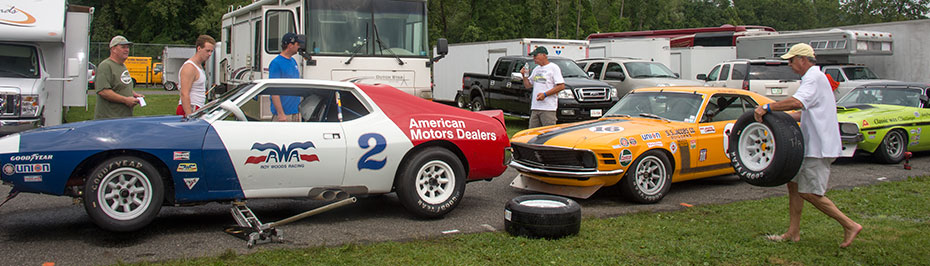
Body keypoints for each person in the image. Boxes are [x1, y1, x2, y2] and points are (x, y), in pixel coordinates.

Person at [753, 43, 862, 248]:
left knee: (810, 193)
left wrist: (767, 107)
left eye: (791, 60)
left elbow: (797, 103)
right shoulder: (812, 78)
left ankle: (850, 225)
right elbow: (803, 112)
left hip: (819, 147)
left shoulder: (813, 77)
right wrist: (778, 117)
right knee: (793, 186)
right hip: (809, 145)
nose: (790, 65)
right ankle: (793, 233)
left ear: (802, 59)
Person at [94, 35, 143, 119]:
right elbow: (103, 91)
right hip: (110, 119)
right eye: (123, 47)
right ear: (113, 49)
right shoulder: (105, 66)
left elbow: (122, 86)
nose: (126, 50)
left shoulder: (122, 66)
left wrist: (135, 95)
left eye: (127, 47)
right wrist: (126, 100)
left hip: (123, 118)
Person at [520, 46, 565, 128]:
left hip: (548, 108)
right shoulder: (536, 69)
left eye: (536, 56)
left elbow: (561, 86)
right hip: (535, 107)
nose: (534, 58)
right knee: (532, 133)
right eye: (533, 56)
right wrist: (524, 75)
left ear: (544, 55)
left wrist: (544, 94)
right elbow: (528, 85)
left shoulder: (553, 68)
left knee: (548, 132)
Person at [177, 35, 216, 117]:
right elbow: (184, 93)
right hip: (190, 108)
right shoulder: (189, 67)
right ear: (199, 49)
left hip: (198, 108)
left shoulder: (199, 66)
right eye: (207, 51)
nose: (209, 54)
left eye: (211, 51)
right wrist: (189, 116)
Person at [269, 32, 304, 122]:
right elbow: (273, 90)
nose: (299, 47)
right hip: (283, 114)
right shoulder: (276, 63)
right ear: (290, 45)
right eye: (297, 44)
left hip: (295, 111)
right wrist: (280, 114)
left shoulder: (293, 62)